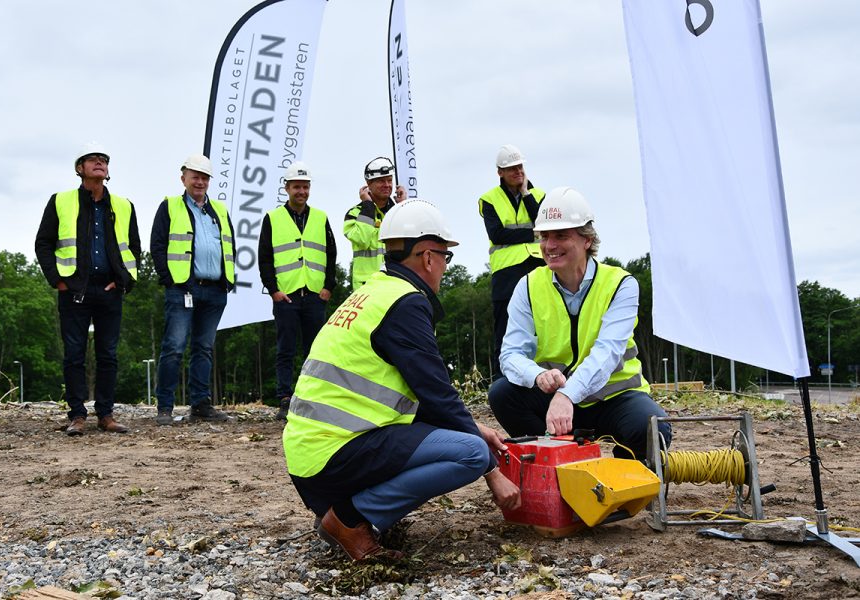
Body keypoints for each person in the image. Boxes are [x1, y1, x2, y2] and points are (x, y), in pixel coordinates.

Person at [283, 199, 521, 561]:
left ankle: (347, 510)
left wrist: (473, 425)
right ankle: (350, 518)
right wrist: (492, 470)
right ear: (428, 257)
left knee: (469, 440)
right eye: (445, 257)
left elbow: (418, 396)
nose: (443, 266)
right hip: (334, 455)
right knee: (471, 454)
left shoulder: (374, 291)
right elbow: (437, 393)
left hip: (312, 457)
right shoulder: (405, 303)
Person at [488, 187, 672, 460]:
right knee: (503, 394)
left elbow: (607, 352)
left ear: (587, 239)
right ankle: (561, 462)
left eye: (561, 235)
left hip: (614, 398)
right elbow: (511, 355)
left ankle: (622, 488)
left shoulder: (621, 284)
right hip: (557, 399)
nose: (550, 246)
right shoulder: (527, 286)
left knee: (651, 428)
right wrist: (537, 375)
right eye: (545, 236)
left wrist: (568, 395)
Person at [35, 143, 140, 436]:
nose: (100, 163)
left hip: (109, 290)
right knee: (74, 355)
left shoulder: (123, 205)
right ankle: (77, 415)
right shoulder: (60, 201)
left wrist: (123, 281)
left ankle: (105, 415)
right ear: (79, 169)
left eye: (104, 160)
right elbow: (43, 243)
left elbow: (133, 247)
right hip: (74, 289)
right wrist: (57, 280)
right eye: (92, 159)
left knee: (108, 354)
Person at [150, 155, 235, 426]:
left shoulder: (219, 210)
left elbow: (229, 244)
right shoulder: (170, 206)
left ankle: (200, 404)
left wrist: (227, 280)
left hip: (214, 291)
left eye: (204, 177)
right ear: (183, 177)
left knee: (204, 348)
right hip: (182, 289)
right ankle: (165, 407)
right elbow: (158, 245)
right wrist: (169, 279)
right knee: (174, 347)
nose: (200, 181)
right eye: (195, 176)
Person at [258, 162, 337, 421]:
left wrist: (328, 286)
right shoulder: (273, 218)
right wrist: (273, 290)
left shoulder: (321, 217)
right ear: (287, 188)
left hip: (314, 294)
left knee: (316, 350)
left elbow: (331, 253)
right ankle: (284, 398)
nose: (301, 191)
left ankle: (314, 396)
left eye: (305, 186)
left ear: (309, 189)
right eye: (296, 187)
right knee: (286, 349)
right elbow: (265, 257)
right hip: (287, 296)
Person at [478, 144, 545, 376]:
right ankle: (501, 378)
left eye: (520, 167)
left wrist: (526, 194)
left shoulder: (537, 195)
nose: (517, 172)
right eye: (511, 168)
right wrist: (531, 233)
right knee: (505, 325)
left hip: (538, 265)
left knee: (541, 322)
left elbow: (543, 224)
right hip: (507, 270)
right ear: (500, 172)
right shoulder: (489, 199)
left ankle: (542, 373)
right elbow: (496, 234)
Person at [343, 156, 406, 290]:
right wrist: (368, 206)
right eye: (381, 181)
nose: (387, 185)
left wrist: (403, 206)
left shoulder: (398, 211)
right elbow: (361, 239)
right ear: (368, 183)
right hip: (367, 286)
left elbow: (411, 240)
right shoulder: (354, 214)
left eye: (389, 180)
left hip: (395, 282)